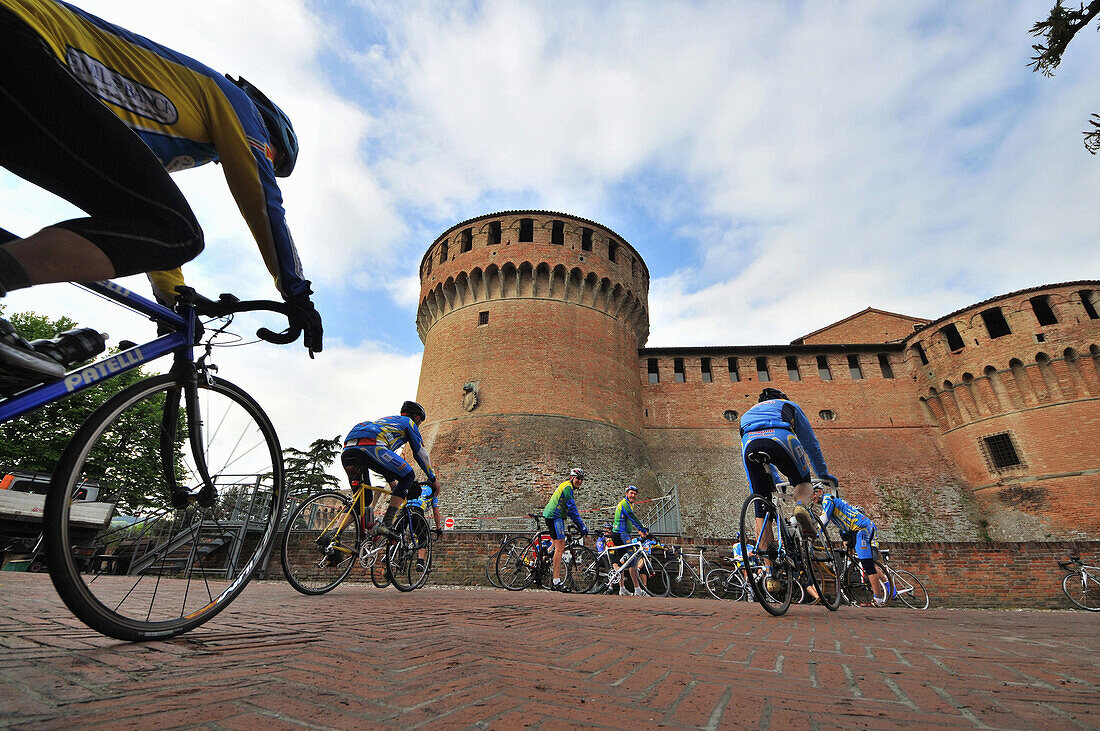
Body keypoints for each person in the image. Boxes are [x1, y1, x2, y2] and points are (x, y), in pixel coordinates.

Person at [0, 0, 321, 392]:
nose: (257, 161)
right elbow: (263, 199)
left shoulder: (156, 124)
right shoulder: (239, 107)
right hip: (22, 32)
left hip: (23, 46)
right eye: (268, 156)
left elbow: (142, 213)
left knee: (158, 228)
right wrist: (296, 291)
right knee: (180, 233)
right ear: (267, 133)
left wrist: (173, 296)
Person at [739, 387, 838, 595]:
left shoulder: (747, 414)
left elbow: (753, 454)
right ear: (781, 398)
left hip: (750, 445)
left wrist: (763, 490)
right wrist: (823, 473)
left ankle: (770, 572)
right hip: (782, 437)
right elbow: (810, 444)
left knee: (761, 508)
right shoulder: (789, 405)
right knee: (802, 481)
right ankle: (801, 508)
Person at [341, 401, 440, 541]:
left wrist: (394, 485)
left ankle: (332, 535)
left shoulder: (384, 422)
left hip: (348, 449)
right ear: (417, 418)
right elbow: (419, 453)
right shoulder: (408, 423)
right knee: (408, 475)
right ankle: (387, 523)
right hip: (372, 446)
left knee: (363, 499)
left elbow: (386, 465)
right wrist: (433, 479)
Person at [813, 484, 887, 606]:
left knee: (867, 563)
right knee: (852, 554)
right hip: (853, 530)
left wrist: (815, 534)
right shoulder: (828, 501)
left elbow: (824, 519)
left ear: (820, 491)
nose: (812, 498)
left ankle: (878, 599)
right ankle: (850, 568)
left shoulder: (827, 499)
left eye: (813, 494)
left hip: (861, 528)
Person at [542, 467, 588, 592]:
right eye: (578, 478)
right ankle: (556, 582)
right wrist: (581, 525)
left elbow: (568, 509)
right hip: (554, 517)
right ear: (572, 477)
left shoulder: (568, 487)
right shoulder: (568, 488)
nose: (579, 481)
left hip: (555, 516)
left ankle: (543, 557)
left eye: (582, 479)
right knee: (560, 547)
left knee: (556, 544)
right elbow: (572, 508)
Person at [610, 485, 650, 597]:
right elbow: (632, 517)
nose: (633, 495)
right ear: (626, 493)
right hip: (621, 533)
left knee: (624, 561)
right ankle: (637, 589)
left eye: (635, 494)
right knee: (632, 557)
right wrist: (642, 529)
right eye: (631, 493)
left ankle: (623, 589)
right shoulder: (624, 504)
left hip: (622, 533)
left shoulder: (629, 504)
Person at [407, 481, 444, 572]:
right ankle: (420, 562)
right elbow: (436, 514)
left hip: (406, 507)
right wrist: (438, 528)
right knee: (423, 536)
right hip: (417, 511)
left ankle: (390, 555)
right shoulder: (433, 494)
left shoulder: (420, 489)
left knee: (399, 534)